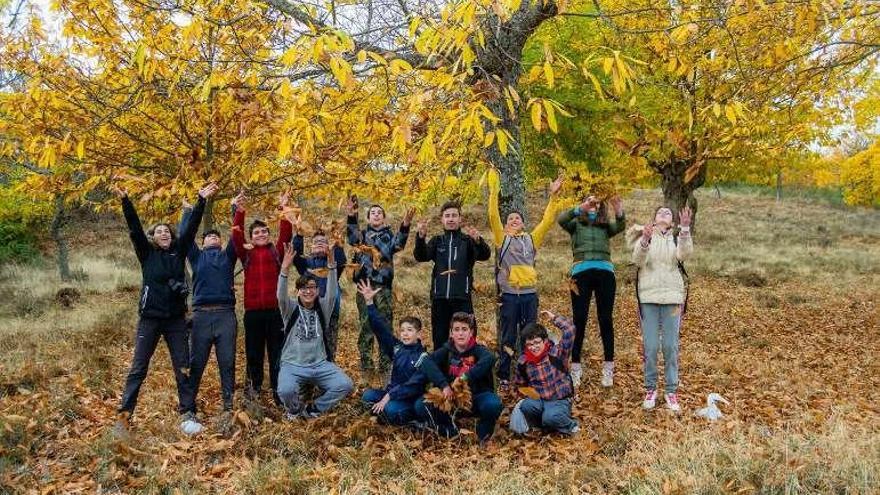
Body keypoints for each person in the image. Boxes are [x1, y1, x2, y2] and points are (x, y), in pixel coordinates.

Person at [112, 182, 218, 437]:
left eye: (167, 231)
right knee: (138, 367)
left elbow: (191, 229)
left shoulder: (179, 251)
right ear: (153, 237)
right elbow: (135, 229)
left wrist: (201, 201)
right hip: (149, 319)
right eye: (159, 231)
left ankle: (188, 415)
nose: (164, 233)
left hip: (175, 321)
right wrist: (126, 201)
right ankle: (124, 418)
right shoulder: (146, 254)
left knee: (183, 366)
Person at [486, 168, 564, 387]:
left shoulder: (532, 239)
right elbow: (493, 215)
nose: (513, 220)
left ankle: (531, 372)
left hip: (530, 295)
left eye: (517, 218)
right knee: (509, 335)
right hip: (510, 296)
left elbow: (548, 221)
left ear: (522, 222)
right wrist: (494, 188)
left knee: (530, 336)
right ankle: (503, 374)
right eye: (510, 218)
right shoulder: (502, 239)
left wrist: (553, 196)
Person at [276, 243, 354, 418]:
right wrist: (285, 269)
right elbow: (280, 295)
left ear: (318, 291)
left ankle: (314, 410)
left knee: (345, 385)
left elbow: (333, 293)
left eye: (312, 288)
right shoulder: (290, 309)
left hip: (319, 364)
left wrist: (332, 267)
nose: (308, 291)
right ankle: (295, 411)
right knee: (285, 391)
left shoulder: (323, 309)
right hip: (292, 364)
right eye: (304, 288)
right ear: (298, 292)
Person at [627, 206, 693, 413]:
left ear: (672, 221)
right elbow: (638, 260)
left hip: (673, 298)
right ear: (654, 218)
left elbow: (684, 255)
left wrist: (684, 230)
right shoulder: (645, 236)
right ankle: (651, 388)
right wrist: (645, 241)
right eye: (660, 212)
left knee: (671, 347)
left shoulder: (676, 238)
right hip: (649, 298)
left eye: (668, 213)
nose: (664, 214)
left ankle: (671, 391)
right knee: (651, 346)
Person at [557, 194, 626, 388]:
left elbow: (619, 226)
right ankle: (576, 367)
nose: (593, 205)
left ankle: (608, 368)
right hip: (580, 272)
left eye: (596, 203)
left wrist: (619, 210)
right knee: (579, 319)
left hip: (605, 272)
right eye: (590, 201)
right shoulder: (576, 224)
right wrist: (580, 208)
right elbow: (562, 220)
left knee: (605, 319)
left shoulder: (605, 226)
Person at [179, 196, 238, 418]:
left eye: (215, 236)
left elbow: (237, 235)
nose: (212, 238)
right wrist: (187, 213)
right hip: (201, 316)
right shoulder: (196, 257)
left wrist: (235, 208)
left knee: (227, 361)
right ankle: (188, 406)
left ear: (220, 242)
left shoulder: (228, 257)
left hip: (225, 315)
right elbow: (185, 237)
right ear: (203, 243)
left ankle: (228, 406)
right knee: (196, 362)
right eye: (208, 237)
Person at [231, 192, 293, 405]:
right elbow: (236, 236)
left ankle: (278, 391)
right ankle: (253, 390)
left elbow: (285, 235)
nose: (260, 234)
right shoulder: (246, 254)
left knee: (276, 353)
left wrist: (283, 209)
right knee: (254, 353)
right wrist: (239, 211)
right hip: (253, 313)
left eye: (264, 231)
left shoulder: (276, 252)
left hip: (275, 312)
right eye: (256, 232)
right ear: (251, 236)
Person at [346, 196, 414, 384]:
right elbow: (352, 238)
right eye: (372, 213)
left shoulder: (389, 236)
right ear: (368, 218)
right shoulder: (362, 236)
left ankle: (386, 368)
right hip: (363, 286)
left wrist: (405, 224)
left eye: (379, 213)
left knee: (384, 326)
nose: (376, 215)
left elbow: (399, 244)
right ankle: (367, 369)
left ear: (384, 218)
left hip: (383, 288)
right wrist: (351, 215)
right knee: (366, 326)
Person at [415, 313, 502, 446]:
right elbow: (426, 362)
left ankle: (482, 435)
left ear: (471, 332)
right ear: (451, 333)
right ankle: (449, 430)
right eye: (456, 329)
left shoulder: (479, 350)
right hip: (450, 398)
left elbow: (489, 358)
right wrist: (444, 385)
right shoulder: (446, 350)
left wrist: (464, 378)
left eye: (464, 329)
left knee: (493, 404)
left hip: (475, 398)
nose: (460, 333)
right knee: (420, 406)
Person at [413, 201, 492, 350]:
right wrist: (421, 237)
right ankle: (441, 370)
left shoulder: (467, 241)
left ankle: (467, 369)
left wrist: (478, 240)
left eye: (454, 216)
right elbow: (421, 256)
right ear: (442, 219)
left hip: (462, 298)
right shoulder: (437, 241)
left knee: (467, 337)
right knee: (440, 338)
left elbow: (484, 255)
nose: (450, 219)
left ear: (460, 219)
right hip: (440, 298)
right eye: (447, 216)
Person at [356, 280, 429, 426]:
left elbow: (412, 386)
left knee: (390, 410)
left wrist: (388, 396)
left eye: (410, 330)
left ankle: (409, 418)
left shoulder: (423, 357)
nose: (405, 334)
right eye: (402, 330)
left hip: (407, 398)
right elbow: (381, 330)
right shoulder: (397, 348)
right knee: (367, 396)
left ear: (419, 334)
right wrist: (369, 303)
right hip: (391, 395)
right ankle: (383, 413)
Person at [511, 310, 579, 436]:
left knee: (550, 417)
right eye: (529, 344)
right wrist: (521, 397)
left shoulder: (556, 353)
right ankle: (543, 427)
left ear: (545, 341)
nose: (534, 347)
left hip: (559, 399)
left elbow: (570, 329)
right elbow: (520, 385)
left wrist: (554, 318)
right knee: (526, 406)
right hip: (539, 400)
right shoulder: (523, 362)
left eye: (537, 342)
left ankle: (571, 426)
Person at [291, 226, 346, 362]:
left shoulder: (332, 263)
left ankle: (327, 376)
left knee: (329, 346)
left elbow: (341, 261)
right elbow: (296, 256)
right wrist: (298, 235)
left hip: (330, 311)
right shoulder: (306, 264)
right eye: (316, 241)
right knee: (308, 347)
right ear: (311, 247)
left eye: (323, 241)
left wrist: (336, 242)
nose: (320, 242)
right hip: (308, 312)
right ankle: (308, 377)